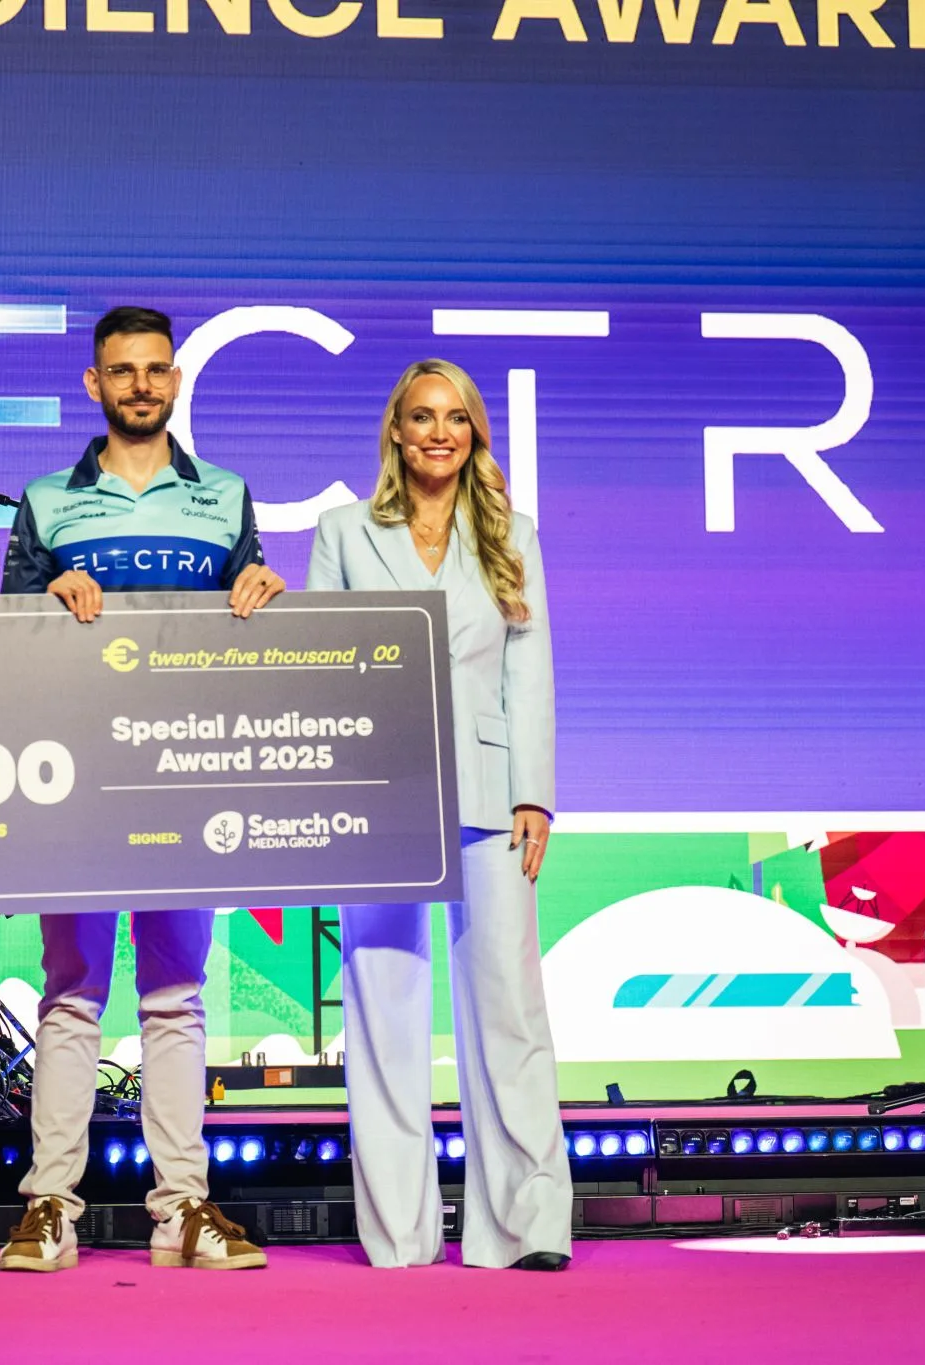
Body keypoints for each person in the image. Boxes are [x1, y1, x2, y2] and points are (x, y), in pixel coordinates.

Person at [0, 306, 285, 1273]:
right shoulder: (46, 500)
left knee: (176, 995)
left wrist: (265, 594)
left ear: (175, 379)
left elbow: (252, 631)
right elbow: (0, 640)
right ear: (94, 383)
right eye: (122, 370)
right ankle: (50, 1206)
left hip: (184, 778)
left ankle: (183, 1210)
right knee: (72, 993)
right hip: (75, 778)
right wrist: (43, 599)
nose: (142, 385)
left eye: (156, 369)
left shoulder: (225, 496)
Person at [306, 359, 572, 1272]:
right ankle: (399, 1235)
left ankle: (528, 1225)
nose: (439, 433)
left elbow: (528, 668)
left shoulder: (511, 533)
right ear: (396, 429)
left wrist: (535, 790)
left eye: (456, 418)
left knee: (510, 1007)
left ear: (474, 434)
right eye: (422, 416)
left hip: (493, 792)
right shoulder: (343, 532)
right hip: (379, 794)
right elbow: (320, 668)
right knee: (383, 1009)